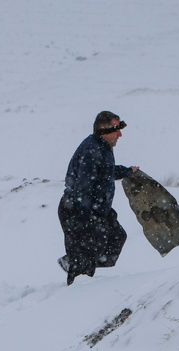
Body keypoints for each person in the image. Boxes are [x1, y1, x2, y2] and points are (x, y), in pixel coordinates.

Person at [58, 111, 139, 285]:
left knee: (116, 237)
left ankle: (74, 260)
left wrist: (127, 172)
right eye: (116, 129)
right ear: (103, 128)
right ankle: (77, 274)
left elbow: (106, 171)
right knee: (83, 271)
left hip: (94, 210)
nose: (120, 134)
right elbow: (83, 188)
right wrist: (85, 221)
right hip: (78, 211)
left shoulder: (102, 147)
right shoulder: (91, 150)